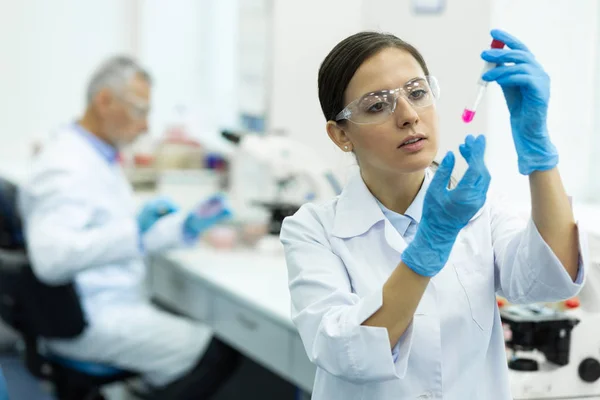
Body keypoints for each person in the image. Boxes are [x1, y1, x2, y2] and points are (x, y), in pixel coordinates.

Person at [280, 29, 588, 399]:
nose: (409, 116)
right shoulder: (313, 230)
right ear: (340, 135)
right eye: (377, 105)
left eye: (416, 93)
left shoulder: (480, 206)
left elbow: (551, 280)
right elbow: (344, 351)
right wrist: (430, 244)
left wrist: (539, 151)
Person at [18, 56, 239, 399]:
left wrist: (186, 226)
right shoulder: (65, 166)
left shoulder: (98, 156)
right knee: (217, 353)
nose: (145, 126)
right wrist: (134, 231)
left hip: (109, 302)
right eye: (139, 111)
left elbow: (118, 232)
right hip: (90, 316)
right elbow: (51, 260)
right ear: (104, 101)